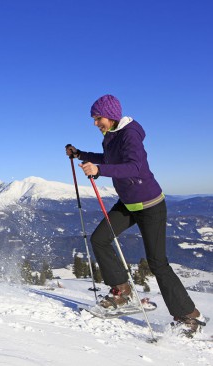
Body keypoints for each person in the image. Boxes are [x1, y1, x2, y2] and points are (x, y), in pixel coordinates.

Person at [66, 94, 206, 337]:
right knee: (99, 239)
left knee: (157, 263)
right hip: (129, 203)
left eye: (97, 118)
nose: (95, 123)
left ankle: (189, 316)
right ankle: (122, 293)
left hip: (150, 205)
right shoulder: (110, 136)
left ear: (110, 116)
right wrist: (81, 154)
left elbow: (135, 167)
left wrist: (100, 170)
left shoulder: (129, 134)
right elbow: (110, 160)